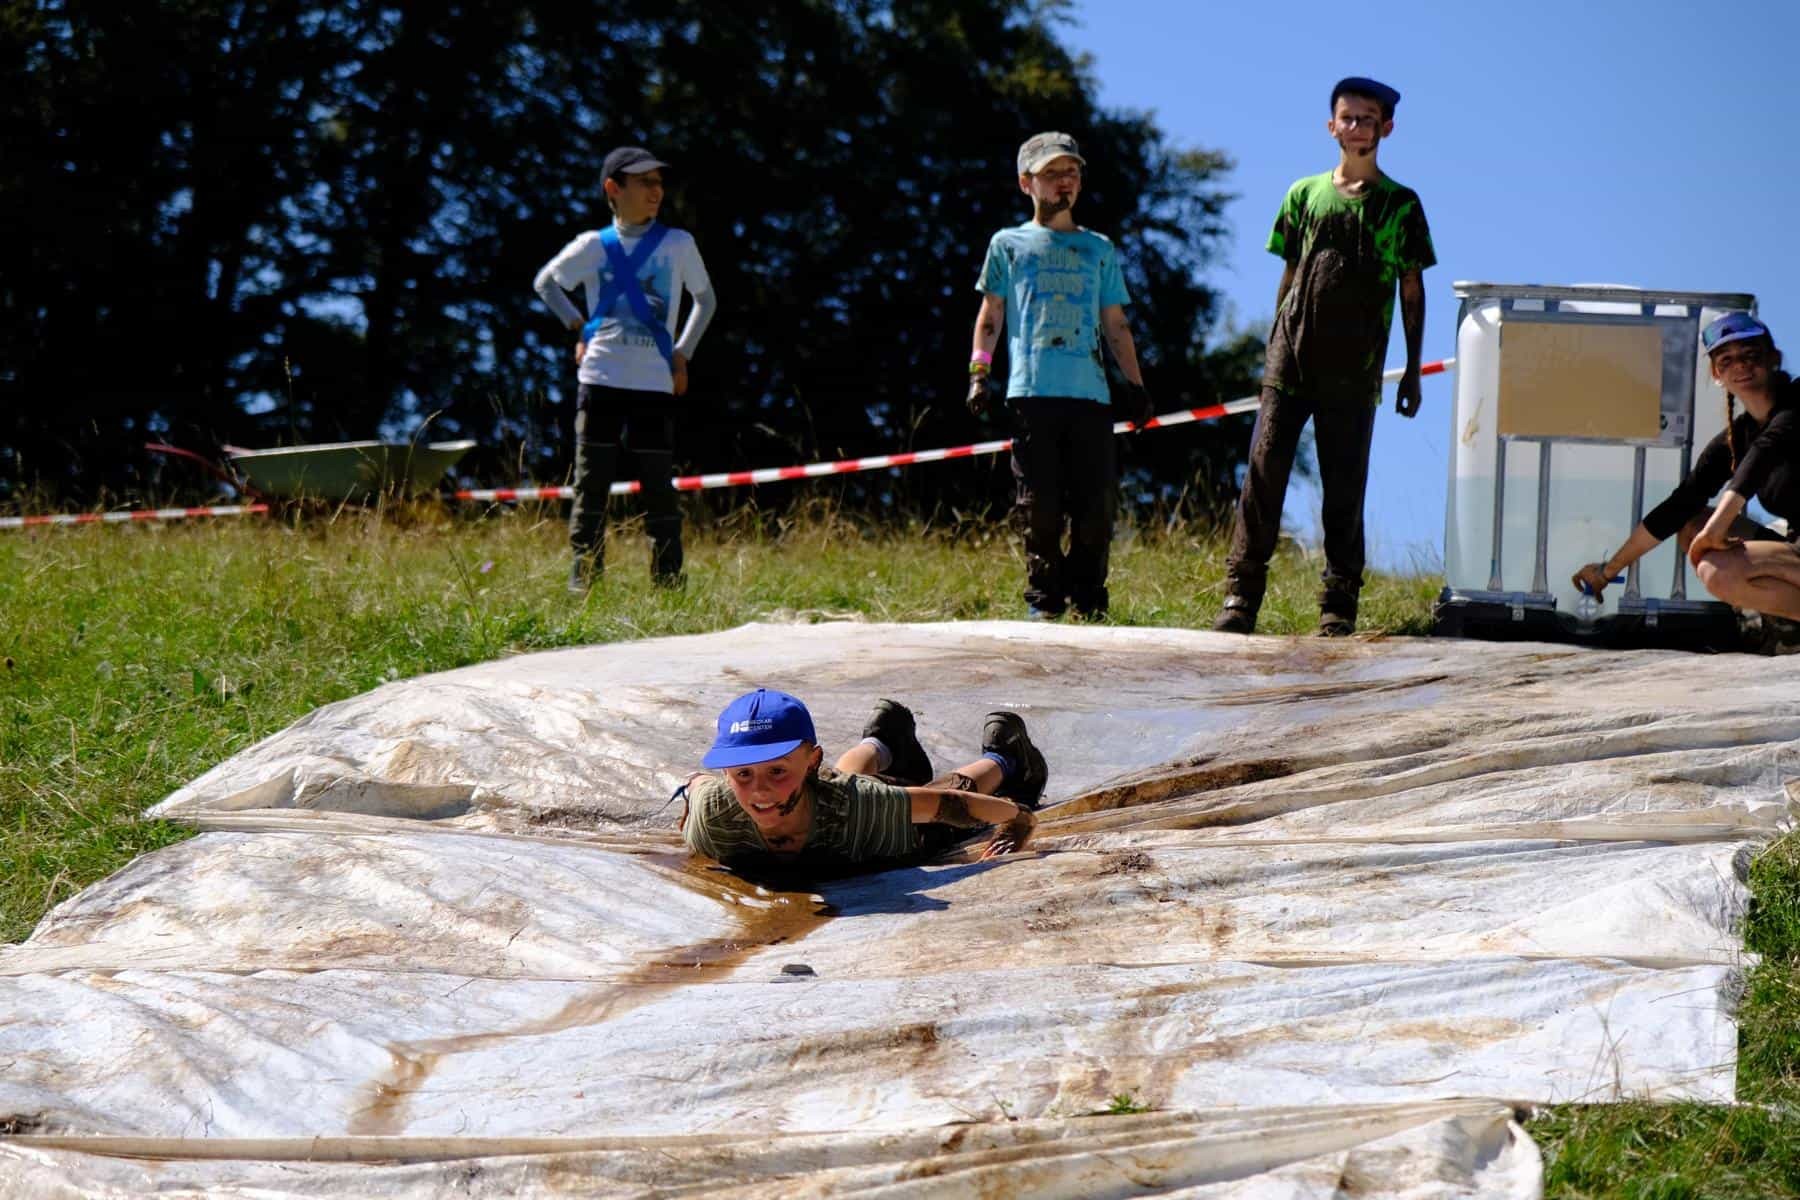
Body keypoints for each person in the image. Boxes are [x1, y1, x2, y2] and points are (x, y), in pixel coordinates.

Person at [1214, 77, 1435, 637]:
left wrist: (1412, 370)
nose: (1357, 127)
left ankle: (1338, 605)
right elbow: (1289, 274)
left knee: (1344, 487)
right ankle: (1240, 598)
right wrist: (1273, 346)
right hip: (1290, 363)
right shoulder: (1303, 193)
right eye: (1347, 117)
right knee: (1263, 477)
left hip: (1355, 371)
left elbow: (1412, 289)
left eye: (1368, 119)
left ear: (1387, 128)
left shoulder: (1401, 205)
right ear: (1330, 125)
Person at [967, 132, 1154, 622]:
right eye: (1051, 173)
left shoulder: (1098, 249)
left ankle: (1089, 603)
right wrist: (979, 373)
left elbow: (1116, 324)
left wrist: (1135, 386)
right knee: (1040, 508)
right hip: (1032, 395)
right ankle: (1044, 602)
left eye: (1071, 172)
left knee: (1096, 509)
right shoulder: (1008, 245)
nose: (1063, 182)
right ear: (1026, 182)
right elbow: (991, 315)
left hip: (1091, 397)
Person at [533, 146, 718, 592]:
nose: (656, 191)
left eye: (659, 182)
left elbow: (706, 300)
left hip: (654, 383)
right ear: (613, 189)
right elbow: (546, 283)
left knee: (658, 488)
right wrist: (578, 326)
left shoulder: (678, 244)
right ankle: (584, 584)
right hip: (600, 379)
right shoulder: (593, 245)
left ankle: (669, 585)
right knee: (591, 486)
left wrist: (682, 353)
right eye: (644, 182)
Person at [1574, 312, 1800, 620]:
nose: (1740, 365)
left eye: (1751, 355)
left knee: (1718, 568)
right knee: (1692, 524)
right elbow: (1680, 504)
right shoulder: (1738, 437)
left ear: (1774, 358)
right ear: (1717, 374)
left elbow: (1768, 449)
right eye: (1726, 360)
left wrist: (1717, 529)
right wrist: (1607, 570)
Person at [680, 689, 1047, 870]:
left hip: (892, 833)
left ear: (812, 761)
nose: (759, 789)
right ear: (725, 774)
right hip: (830, 796)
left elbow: (949, 804)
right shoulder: (714, 817)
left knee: (937, 808)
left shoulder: (862, 807)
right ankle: (884, 740)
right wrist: (690, 789)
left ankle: (1007, 757)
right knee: (837, 786)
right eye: (743, 773)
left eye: (776, 770)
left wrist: (1018, 819)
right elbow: (696, 785)